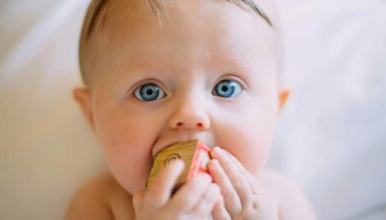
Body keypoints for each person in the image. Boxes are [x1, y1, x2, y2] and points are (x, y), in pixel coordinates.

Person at [66, 0, 316, 219]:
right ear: (92, 115)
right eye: (149, 91)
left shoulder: (282, 203)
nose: (191, 113)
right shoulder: (99, 205)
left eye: (226, 88)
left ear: (274, 110)